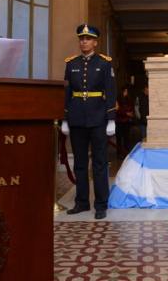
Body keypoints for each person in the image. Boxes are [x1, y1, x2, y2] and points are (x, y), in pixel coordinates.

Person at [61, 24, 116, 219]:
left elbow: (110, 91)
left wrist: (111, 119)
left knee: (100, 163)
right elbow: (67, 93)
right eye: (81, 38)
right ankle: (82, 202)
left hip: (99, 118)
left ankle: (101, 204)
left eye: (87, 38)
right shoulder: (71, 63)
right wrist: (65, 119)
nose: (83, 41)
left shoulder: (104, 63)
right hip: (77, 118)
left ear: (95, 42)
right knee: (80, 164)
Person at [115, 86, 134, 159]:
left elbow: (131, 107)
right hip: (120, 122)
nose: (126, 93)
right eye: (125, 91)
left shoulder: (128, 99)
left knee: (127, 138)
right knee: (119, 138)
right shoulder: (118, 99)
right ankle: (119, 154)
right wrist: (126, 113)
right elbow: (117, 110)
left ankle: (126, 153)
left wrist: (131, 113)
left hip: (127, 122)